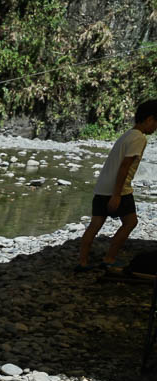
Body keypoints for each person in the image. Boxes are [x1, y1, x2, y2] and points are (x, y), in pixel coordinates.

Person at [77, 99, 157, 272]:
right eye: (156, 123)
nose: (155, 129)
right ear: (150, 119)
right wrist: (116, 195)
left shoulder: (128, 134)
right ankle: (109, 258)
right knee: (131, 222)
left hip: (102, 186)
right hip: (118, 188)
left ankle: (82, 262)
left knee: (95, 224)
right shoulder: (139, 138)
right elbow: (124, 167)